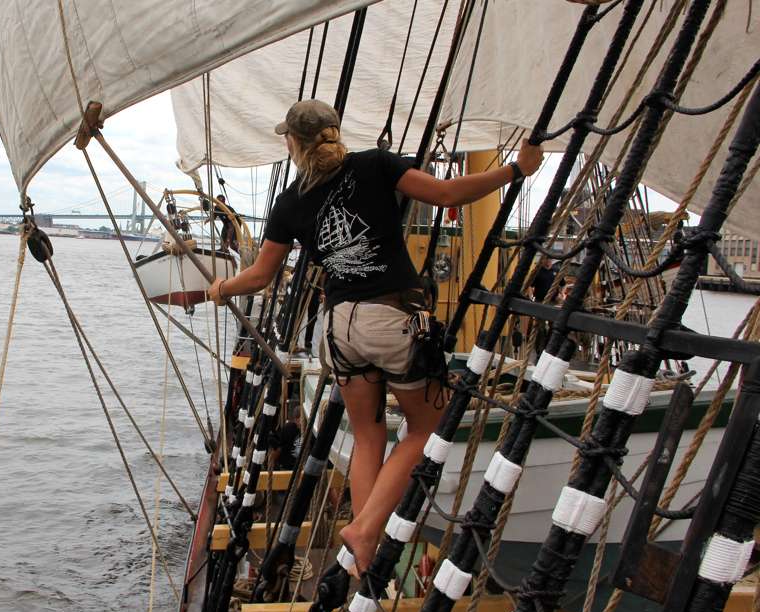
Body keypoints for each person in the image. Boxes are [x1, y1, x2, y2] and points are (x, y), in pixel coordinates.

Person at [207, 99, 542, 577]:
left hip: (340, 326)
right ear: (334, 132)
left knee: (368, 437)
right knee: (425, 427)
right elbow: (447, 196)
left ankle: (363, 542)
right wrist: (516, 170)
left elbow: (261, 275)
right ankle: (366, 531)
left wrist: (220, 288)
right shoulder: (374, 164)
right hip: (392, 315)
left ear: (294, 143)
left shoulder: (290, 202)